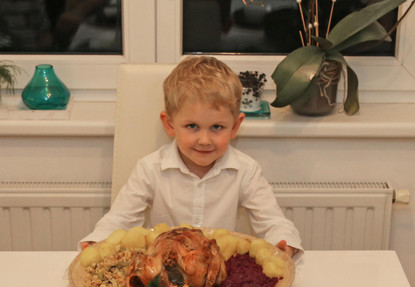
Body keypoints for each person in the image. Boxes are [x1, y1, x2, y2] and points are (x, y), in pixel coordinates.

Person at [81, 56, 302, 256]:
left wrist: (283, 245)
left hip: (222, 270)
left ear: (235, 127)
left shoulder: (246, 170)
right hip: (164, 268)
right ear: (170, 125)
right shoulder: (149, 168)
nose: (204, 140)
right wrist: (97, 243)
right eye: (192, 126)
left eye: (217, 127)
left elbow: (273, 222)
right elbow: (120, 219)